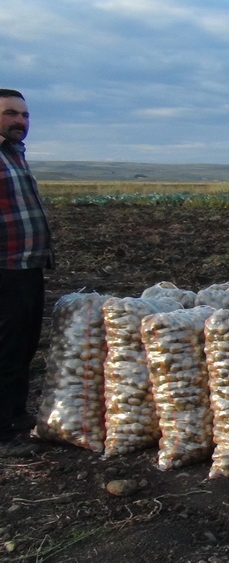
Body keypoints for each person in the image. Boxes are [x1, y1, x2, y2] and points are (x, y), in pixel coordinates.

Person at [0, 89, 53, 448]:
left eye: (24, 115)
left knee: (23, 345)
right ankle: (1, 431)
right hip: (4, 268)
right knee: (4, 347)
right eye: (10, 113)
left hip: (28, 267)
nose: (20, 121)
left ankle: (16, 412)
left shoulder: (15, 154)